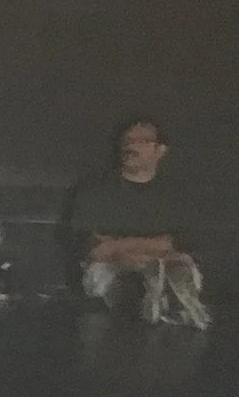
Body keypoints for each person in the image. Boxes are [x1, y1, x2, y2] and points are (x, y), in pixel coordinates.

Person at [64, 118, 209, 330]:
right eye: (128, 140)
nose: (131, 146)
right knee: (124, 274)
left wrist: (118, 244)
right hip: (111, 267)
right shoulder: (94, 190)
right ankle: (152, 297)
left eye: (142, 141)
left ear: (160, 150)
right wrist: (141, 251)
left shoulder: (178, 196)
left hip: (167, 262)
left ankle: (171, 297)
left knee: (179, 265)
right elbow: (93, 249)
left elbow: (183, 242)